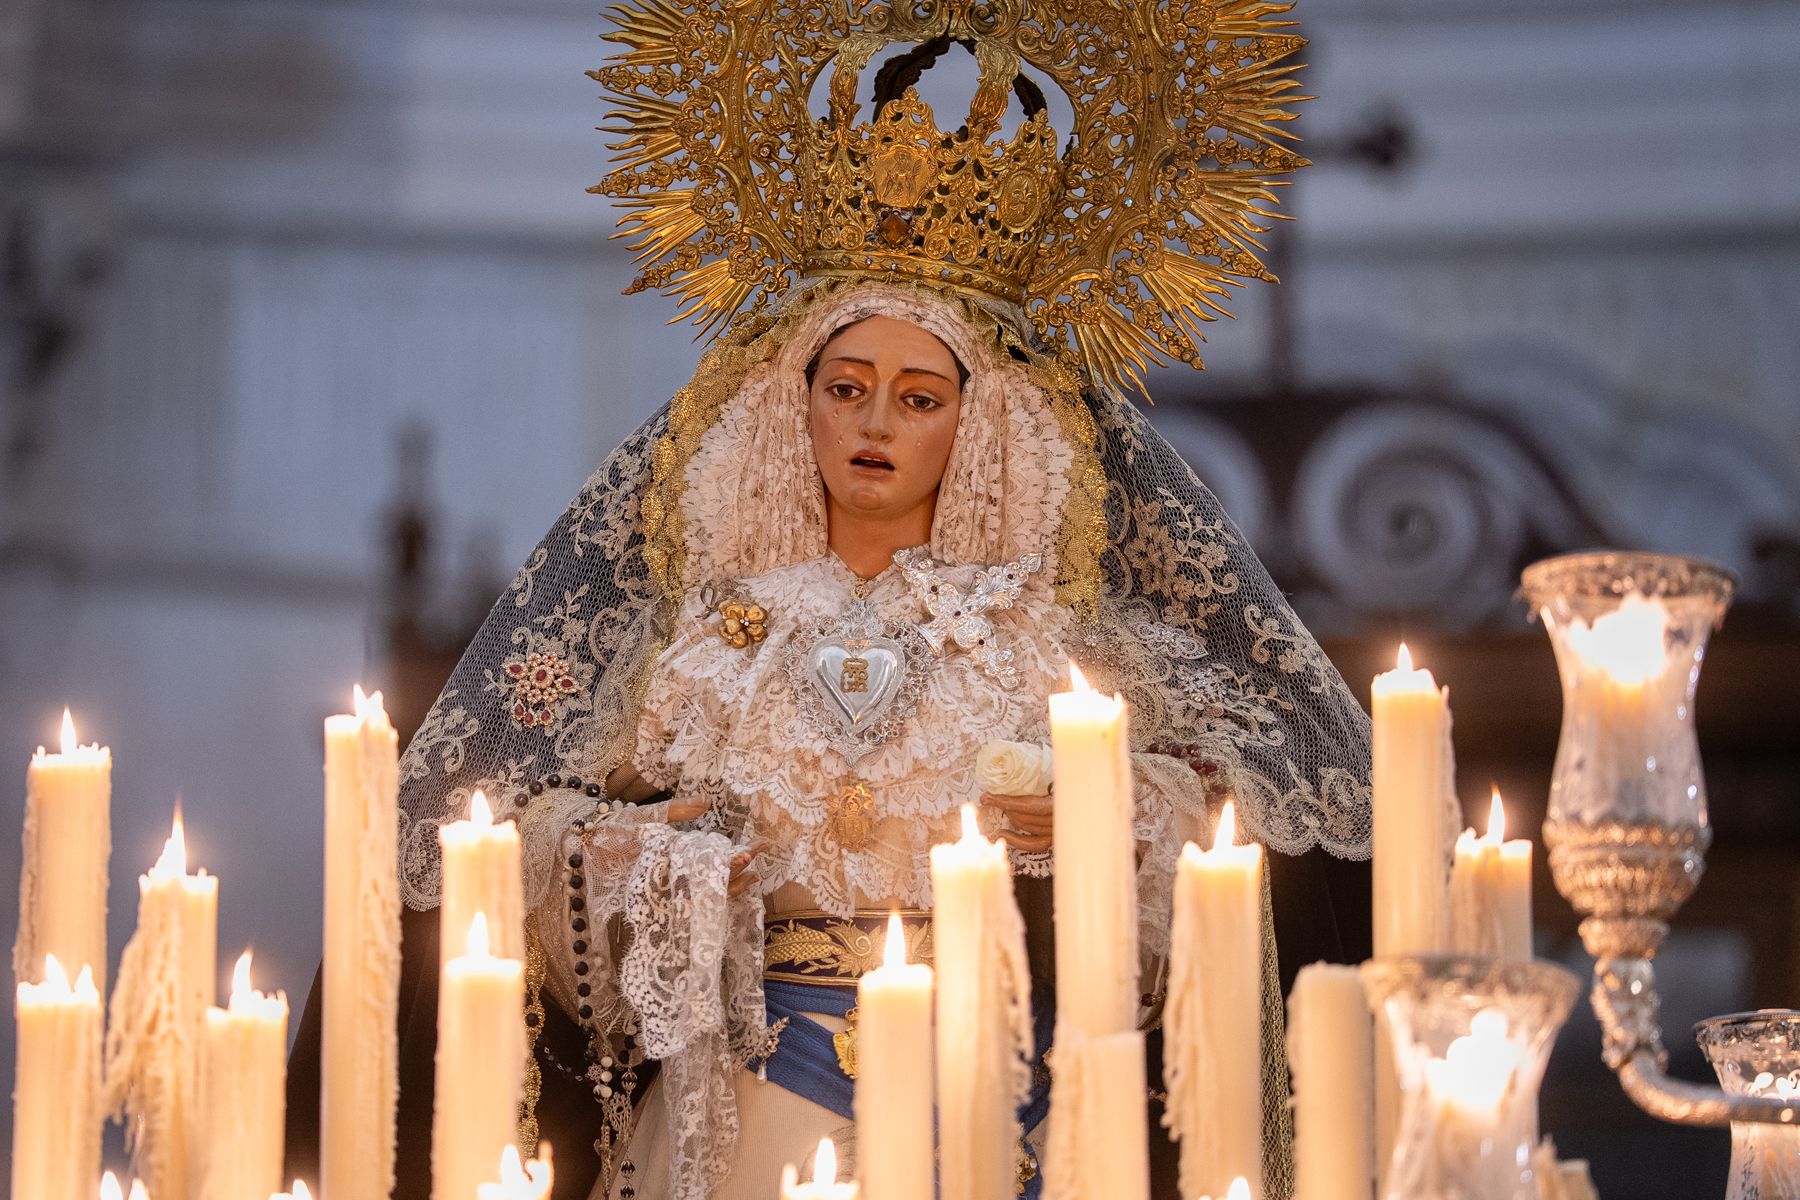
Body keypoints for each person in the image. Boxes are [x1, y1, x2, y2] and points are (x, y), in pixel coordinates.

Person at [288, 3, 1376, 1197]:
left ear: (983, 425)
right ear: (791, 404)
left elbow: (1218, 859)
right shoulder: (698, 632)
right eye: (847, 386)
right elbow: (516, 859)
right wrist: (641, 860)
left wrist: (1110, 823)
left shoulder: (1043, 638)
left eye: (919, 398)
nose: (874, 423)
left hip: (989, 1086)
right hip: (751, 1086)